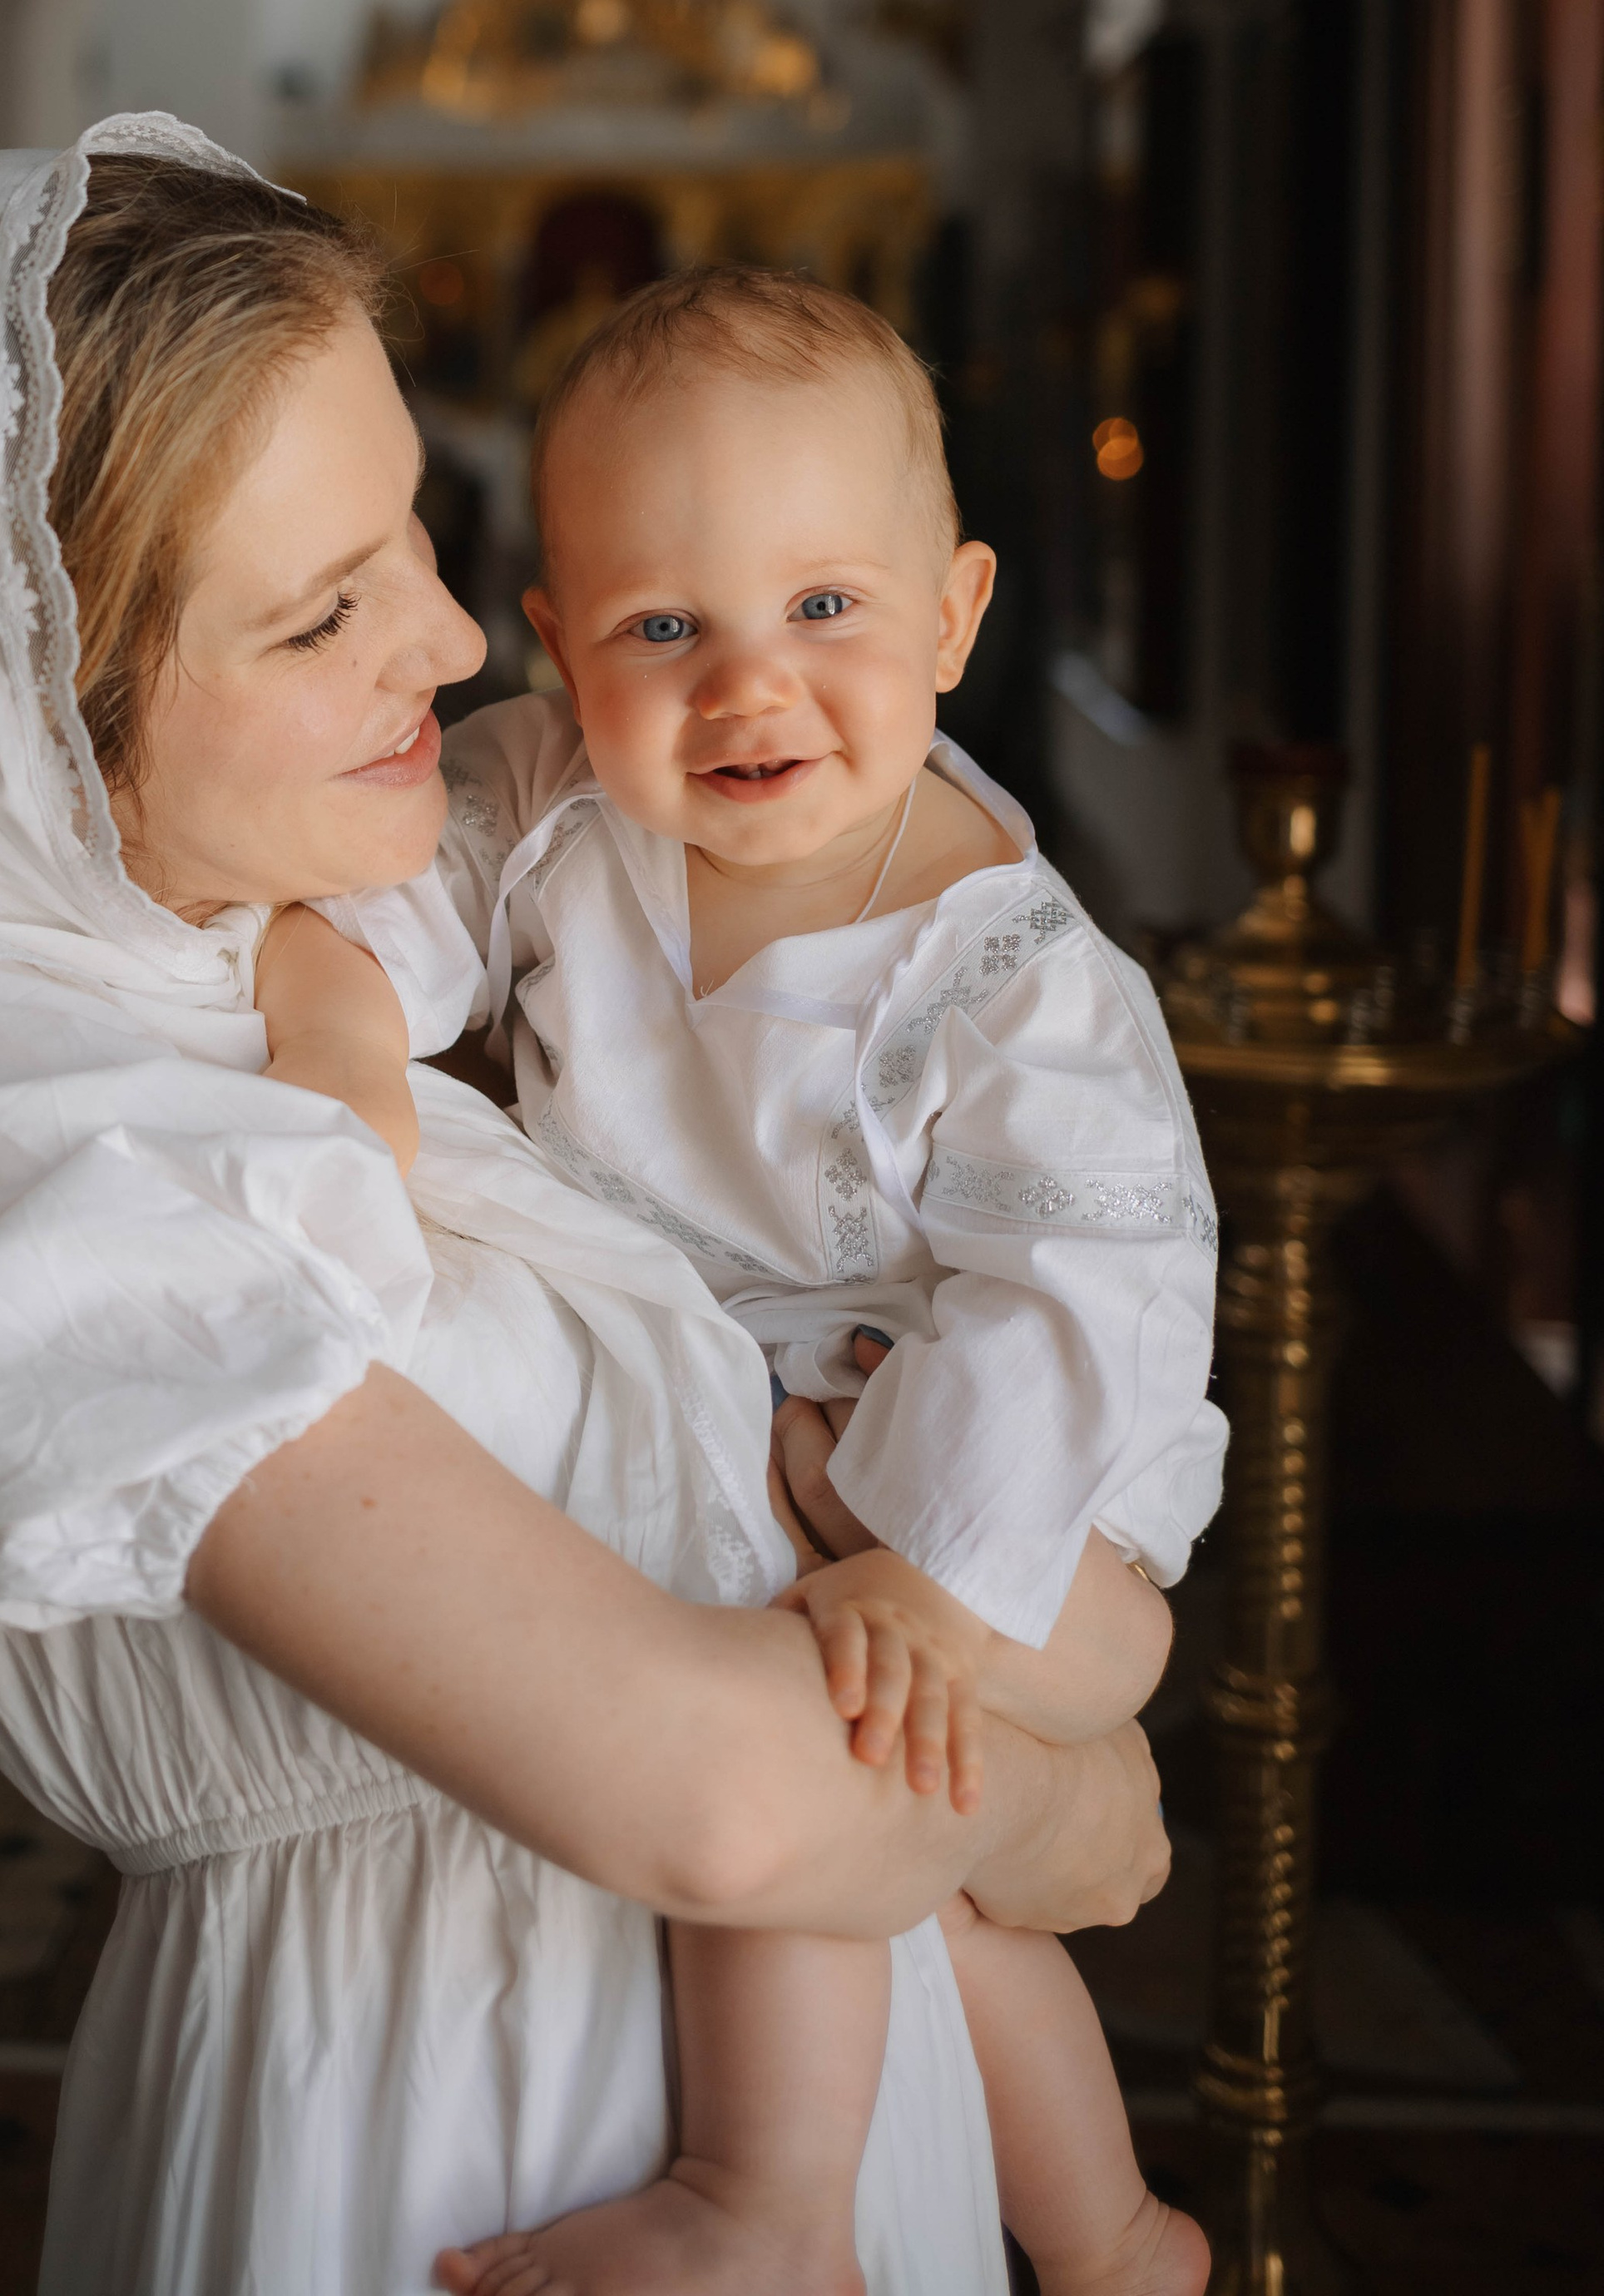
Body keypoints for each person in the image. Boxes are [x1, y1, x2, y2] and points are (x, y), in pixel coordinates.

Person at [0, 117, 1169, 2296]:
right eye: (322, 611)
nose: (462, 645)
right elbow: (716, 1802)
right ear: (14, 716)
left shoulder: (245, 970)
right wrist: (1064, 1807)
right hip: (445, 2140)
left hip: (728, 2095)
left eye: (416, 543)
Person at [268, 264, 1221, 2295]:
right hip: (798, 1469)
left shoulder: (1013, 976)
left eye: (823, 609)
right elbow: (390, 883)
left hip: (1027, 1536)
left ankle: (767, 2205)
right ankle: (1113, 2232)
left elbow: (1087, 1301)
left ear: (953, 613)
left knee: (805, 1710)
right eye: (659, 627)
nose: (744, 686)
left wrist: (919, 1562)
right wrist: (347, 1032)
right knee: (918, 1851)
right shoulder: (556, 804)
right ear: (553, 644)